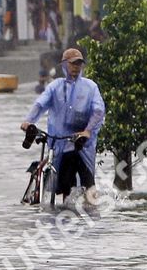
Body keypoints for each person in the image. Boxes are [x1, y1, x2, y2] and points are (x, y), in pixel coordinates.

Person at [21, 47, 106, 206]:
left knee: (88, 180)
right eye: (73, 64)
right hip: (59, 142)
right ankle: (64, 208)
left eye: (79, 64)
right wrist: (29, 120)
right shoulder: (55, 86)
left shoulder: (90, 87)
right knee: (64, 182)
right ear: (65, 65)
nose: (76, 67)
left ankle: (91, 210)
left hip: (82, 143)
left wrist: (87, 130)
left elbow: (98, 110)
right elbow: (40, 104)